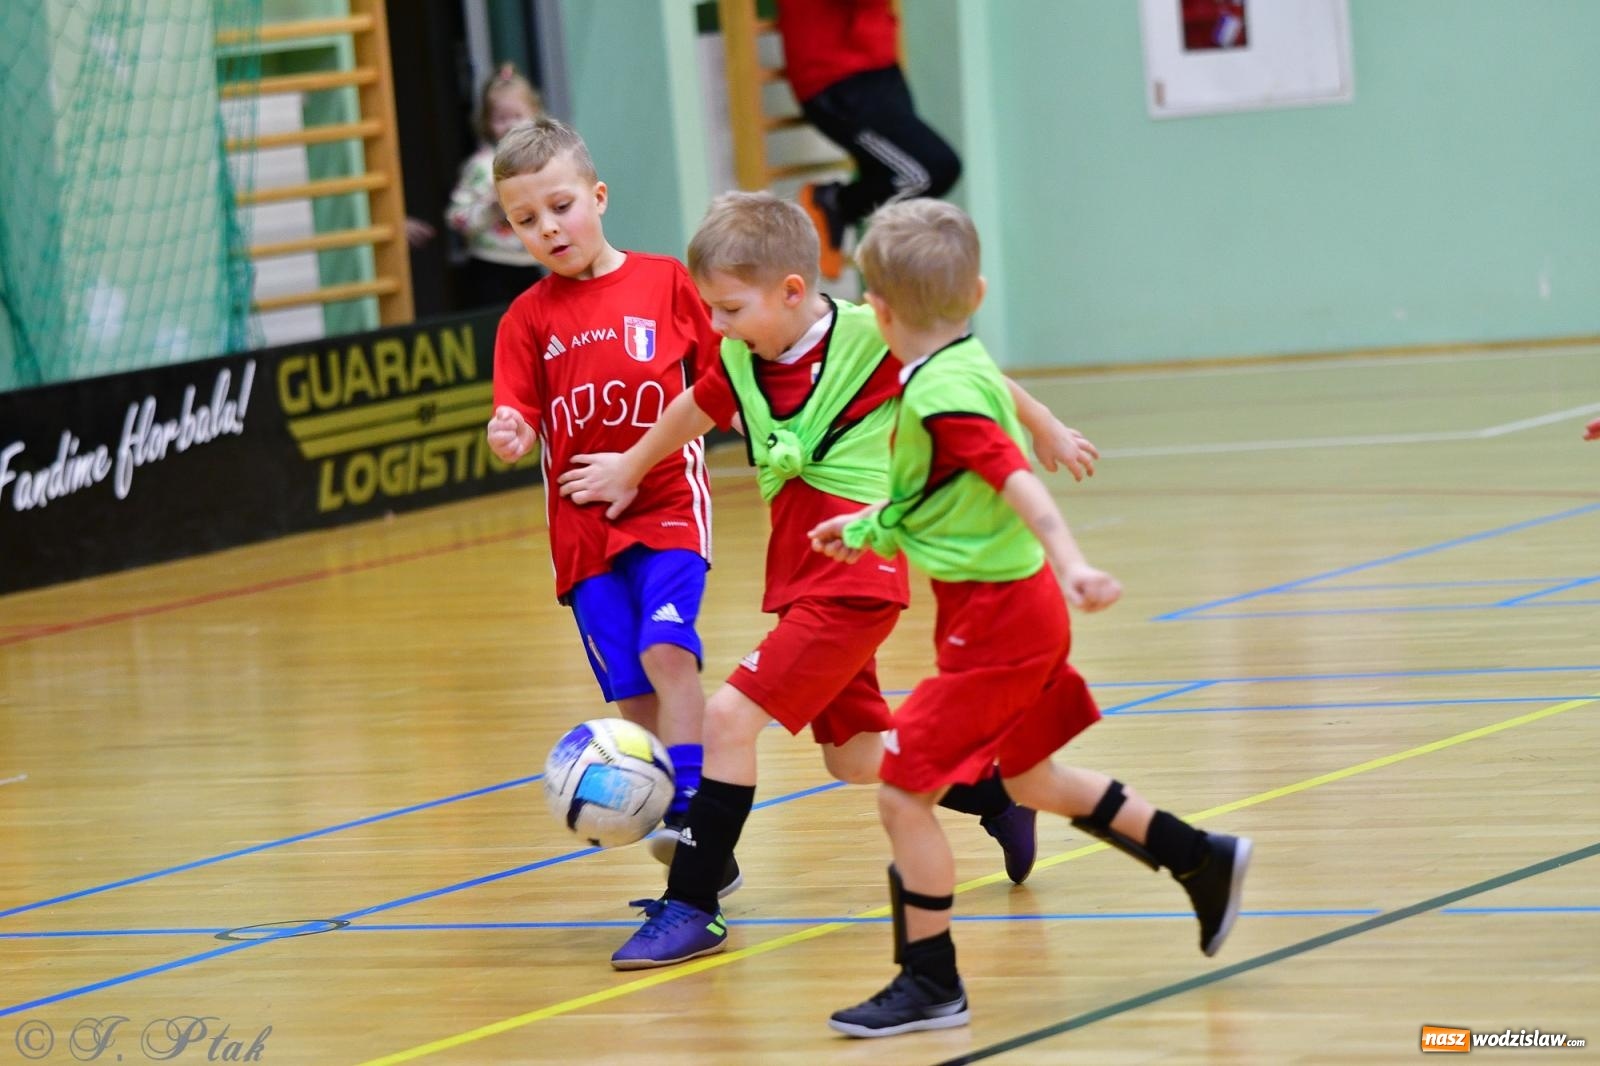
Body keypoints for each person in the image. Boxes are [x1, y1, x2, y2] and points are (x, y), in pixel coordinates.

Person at [557, 191, 1100, 970]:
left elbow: (959, 370)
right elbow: (695, 407)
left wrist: (1042, 424)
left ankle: (695, 905)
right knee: (852, 756)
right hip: (803, 572)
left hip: (859, 572)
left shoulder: (865, 335)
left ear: (791, 290)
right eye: (709, 309)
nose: (717, 326)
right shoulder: (742, 355)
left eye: (730, 309)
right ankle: (994, 793)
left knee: (727, 720)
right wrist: (629, 466)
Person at [809, 199, 1253, 1038]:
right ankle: (1201, 858)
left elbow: (1014, 480)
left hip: (1000, 626)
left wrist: (1073, 558)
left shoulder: (944, 396)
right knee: (1030, 780)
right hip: (1016, 615)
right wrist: (866, 525)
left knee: (905, 793)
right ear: (974, 293)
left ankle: (930, 981)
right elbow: (935, 491)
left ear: (878, 311)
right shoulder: (963, 361)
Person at [484, 117, 728, 888]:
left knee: (667, 648)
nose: (549, 228)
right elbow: (516, 410)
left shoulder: (666, 283)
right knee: (631, 692)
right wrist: (510, 429)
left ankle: (693, 813)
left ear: (598, 195)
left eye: (561, 206)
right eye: (527, 220)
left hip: (664, 505)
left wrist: (637, 460)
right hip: (583, 535)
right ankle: (694, 844)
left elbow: (721, 388)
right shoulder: (525, 320)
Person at [775, 0, 962, 280]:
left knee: (917, 181)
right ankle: (836, 203)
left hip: (876, 64)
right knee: (930, 172)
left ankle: (843, 212)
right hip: (836, 76)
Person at [447, 64, 546, 307]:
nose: (511, 125)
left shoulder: (542, 163)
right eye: (501, 119)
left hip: (530, 262)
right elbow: (457, 218)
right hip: (490, 264)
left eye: (518, 117)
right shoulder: (481, 167)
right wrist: (491, 207)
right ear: (487, 123)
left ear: (534, 116)